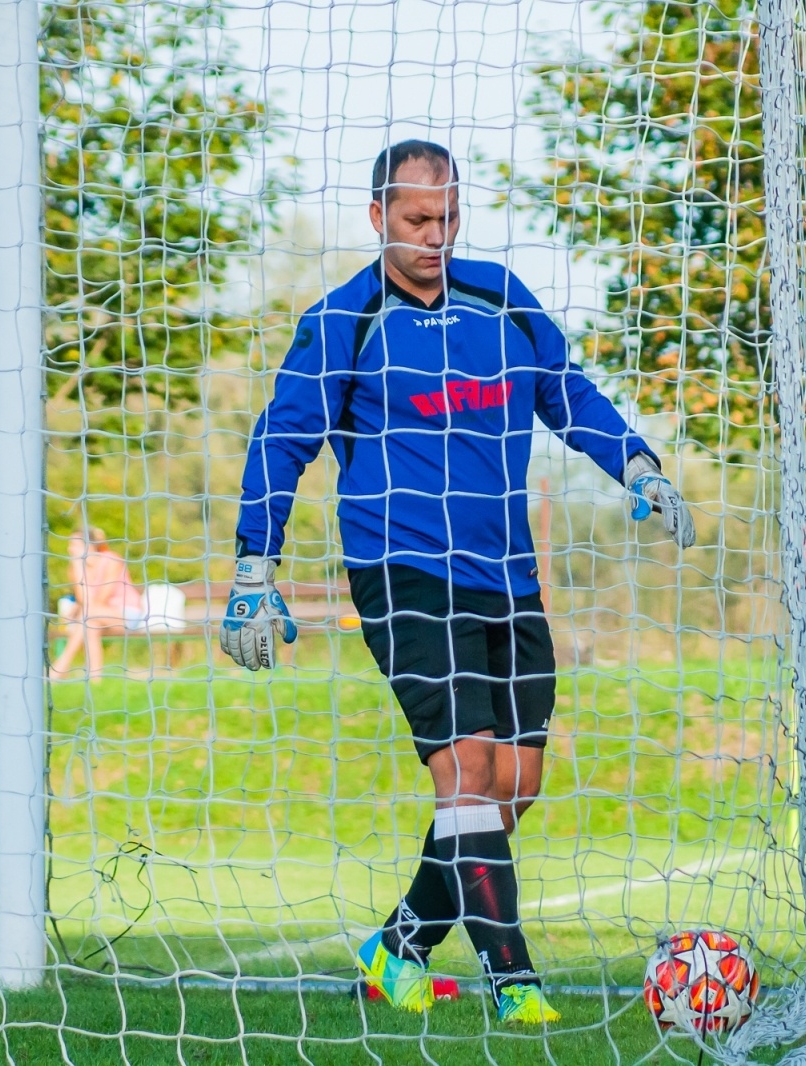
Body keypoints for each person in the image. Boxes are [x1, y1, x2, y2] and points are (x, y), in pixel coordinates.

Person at [220, 140, 694, 1025]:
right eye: (415, 221)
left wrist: (637, 464)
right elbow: (280, 440)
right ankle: (516, 985)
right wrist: (256, 564)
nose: (434, 237)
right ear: (377, 218)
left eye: (447, 218)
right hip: (401, 572)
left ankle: (396, 951)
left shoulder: (499, 296)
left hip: (506, 575)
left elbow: (569, 392)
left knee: (515, 784)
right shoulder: (341, 322)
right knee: (466, 770)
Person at [49, 527, 146, 680]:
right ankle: (95, 679)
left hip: (127, 614)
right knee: (91, 625)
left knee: (89, 616)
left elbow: (100, 599)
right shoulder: (78, 568)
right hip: (96, 616)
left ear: (89, 545)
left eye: (74, 544)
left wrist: (83, 608)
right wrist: (76, 565)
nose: (70, 549)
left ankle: (61, 666)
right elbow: (85, 601)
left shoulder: (112, 560)